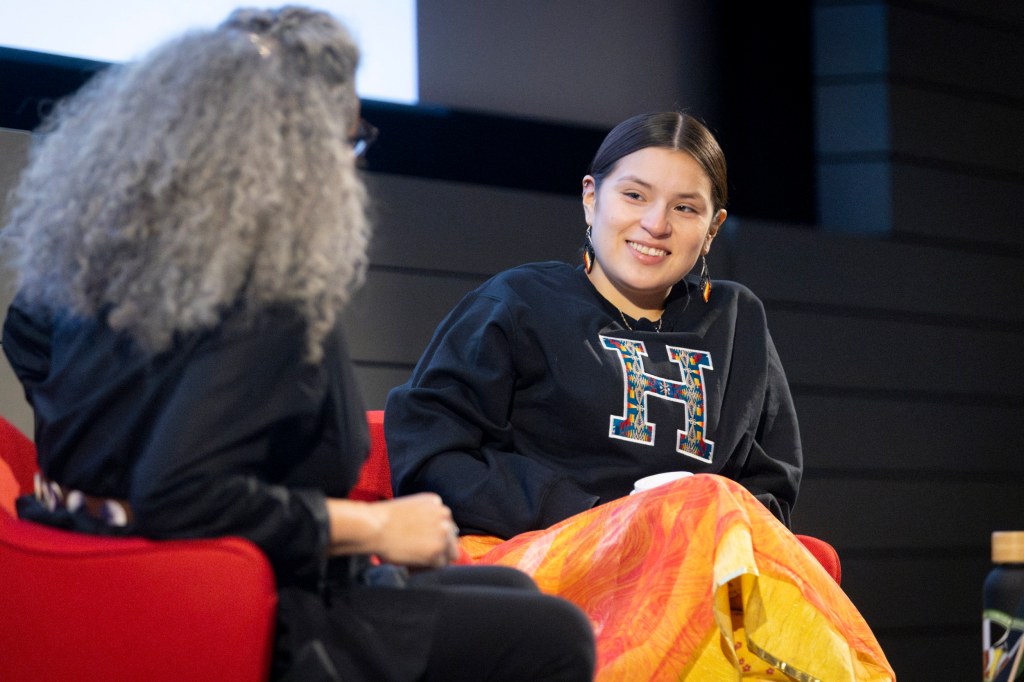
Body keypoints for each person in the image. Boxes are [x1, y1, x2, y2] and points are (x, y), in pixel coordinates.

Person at [0, 7, 596, 681]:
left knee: (508, 593)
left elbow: (27, 338)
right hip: (227, 604)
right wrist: (374, 528)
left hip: (95, 564)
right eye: (349, 143)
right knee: (555, 635)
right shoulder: (263, 299)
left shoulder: (99, 267)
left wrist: (100, 472)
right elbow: (181, 496)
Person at [385, 112, 895, 679]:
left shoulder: (736, 320)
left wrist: (686, 522)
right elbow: (430, 456)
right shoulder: (518, 302)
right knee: (705, 505)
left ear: (713, 226)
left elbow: (768, 493)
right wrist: (610, 516)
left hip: (697, 577)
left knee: (716, 516)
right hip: (549, 568)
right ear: (590, 198)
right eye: (634, 195)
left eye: (685, 208)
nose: (656, 224)